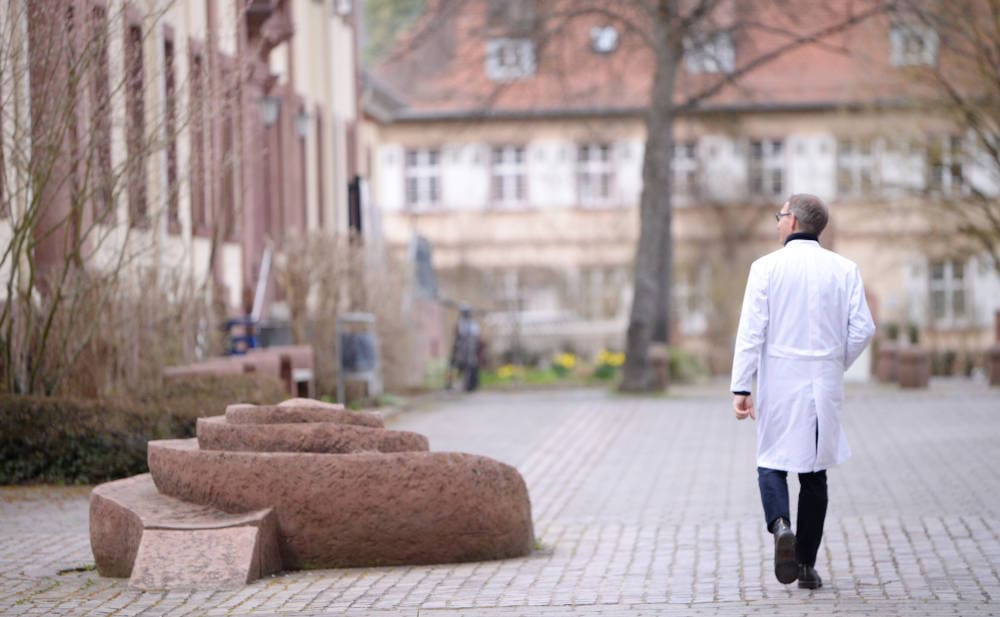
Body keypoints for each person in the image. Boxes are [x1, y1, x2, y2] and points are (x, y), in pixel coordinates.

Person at [731, 194, 875, 589]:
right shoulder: (844, 269)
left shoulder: (766, 268)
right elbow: (863, 329)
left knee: (771, 461)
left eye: (779, 216)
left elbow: (751, 331)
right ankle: (807, 565)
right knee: (814, 475)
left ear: (792, 220)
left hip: (780, 378)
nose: (777, 223)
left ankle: (780, 526)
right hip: (823, 382)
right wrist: (833, 361)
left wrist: (742, 386)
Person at [449, 303, 481, 392]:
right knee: (454, 366)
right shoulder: (460, 323)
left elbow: (476, 337)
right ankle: (451, 384)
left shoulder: (473, 323)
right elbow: (457, 336)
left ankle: (471, 386)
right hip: (460, 349)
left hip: (470, 349)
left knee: (472, 366)